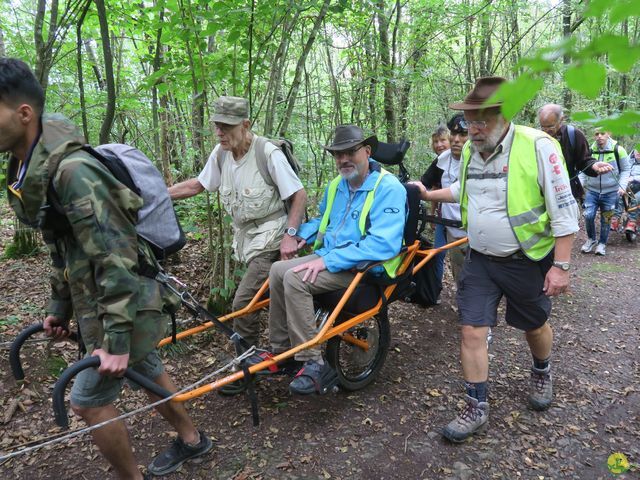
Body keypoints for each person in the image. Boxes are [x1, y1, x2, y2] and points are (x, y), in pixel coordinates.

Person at [2, 58, 211, 478]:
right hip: (98, 298)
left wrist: (115, 338)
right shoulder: (29, 168)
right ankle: (193, 441)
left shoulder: (74, 171)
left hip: (123, 298)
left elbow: (117, 258)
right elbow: (62, 245)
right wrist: (59, 308)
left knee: (87, 400)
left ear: (24, 114)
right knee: (146, 367)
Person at [411, 76, 579, 443]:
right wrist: (430, 194)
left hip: (525, 260)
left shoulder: (538, 146)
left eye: (480, 120)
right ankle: (476, 406)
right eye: (469, 120)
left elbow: (565, 210)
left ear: (503, 116)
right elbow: (463, 189)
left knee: (533, 325)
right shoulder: (472, 148)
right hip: (480, 260)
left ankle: (541, 370)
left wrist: (560, 266)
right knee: (472, 330)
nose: (471, 128)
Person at [265, 125, 407, 395]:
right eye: (338, 154)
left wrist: (328, 261)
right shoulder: (337, 186)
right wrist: (300, 235)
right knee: (277, 270)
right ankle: (284, 353)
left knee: (295, 279)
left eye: (350, 152)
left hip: (364, 269)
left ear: (367, 151)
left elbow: (383, 243)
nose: (343, 159)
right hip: (333, 257)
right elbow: (324, 221)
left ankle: (313, 363)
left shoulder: (388, 188)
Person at [168, 96, 307, 355]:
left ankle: (247, 360)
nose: (219, 132)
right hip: (245, 240)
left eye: (226, 126)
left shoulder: (267, 153)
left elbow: (298, 194)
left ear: (245, 124)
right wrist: (158, 194)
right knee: (261, 299)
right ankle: (277, 348)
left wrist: (290, 235)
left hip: (271, 237)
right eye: (216, 126)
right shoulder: (221, 153)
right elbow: (198, 185)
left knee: (243, 302)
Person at [537, 103, 613, 202]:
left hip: (568, 190)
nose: (546, 131)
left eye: (550, 126)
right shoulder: (537, 137)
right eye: (543, 127)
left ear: (561, 119)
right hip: (543, 191)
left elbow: (584, 160)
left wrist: (593, 165)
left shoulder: (574, 135)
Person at [579, 129, 631, 255]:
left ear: (609, 133)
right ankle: (591, 240)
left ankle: (602, 243)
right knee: (588, 215)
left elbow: (625, 169)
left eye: (602, 133)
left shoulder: (619, 150)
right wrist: (579, 186)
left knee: (606, 219)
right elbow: (583, 170)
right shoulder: (589, 151)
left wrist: (622, 186)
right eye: (597, 134)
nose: (599, 136)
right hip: (592, 191)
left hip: (611, 192)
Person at [420, 125, 451, 300]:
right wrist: (432, 215)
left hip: (462, 219)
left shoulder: (463, 159)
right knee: (438, 253)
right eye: (436, 141)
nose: (439, 144)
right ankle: (434, 290)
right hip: (442, 216)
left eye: (442, 140)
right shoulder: (437, 164)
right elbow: (432, 189)